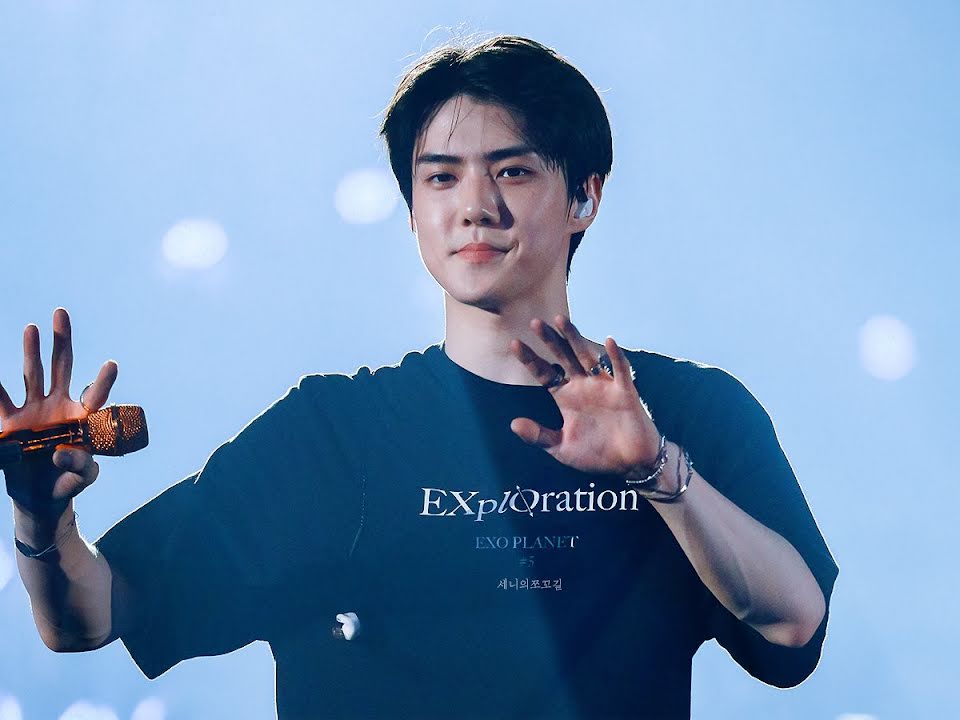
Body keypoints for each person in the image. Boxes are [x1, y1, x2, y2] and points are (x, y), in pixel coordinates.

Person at [2, 35, 837, 719]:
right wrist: (42, 518)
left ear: (584, 196)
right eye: (441, 176)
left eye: (512, 170)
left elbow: (795, 625)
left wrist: (657, 470)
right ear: (412, 209)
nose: (474, 205)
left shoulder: (689, 409)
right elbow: (93, 615)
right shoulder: (333, 433)